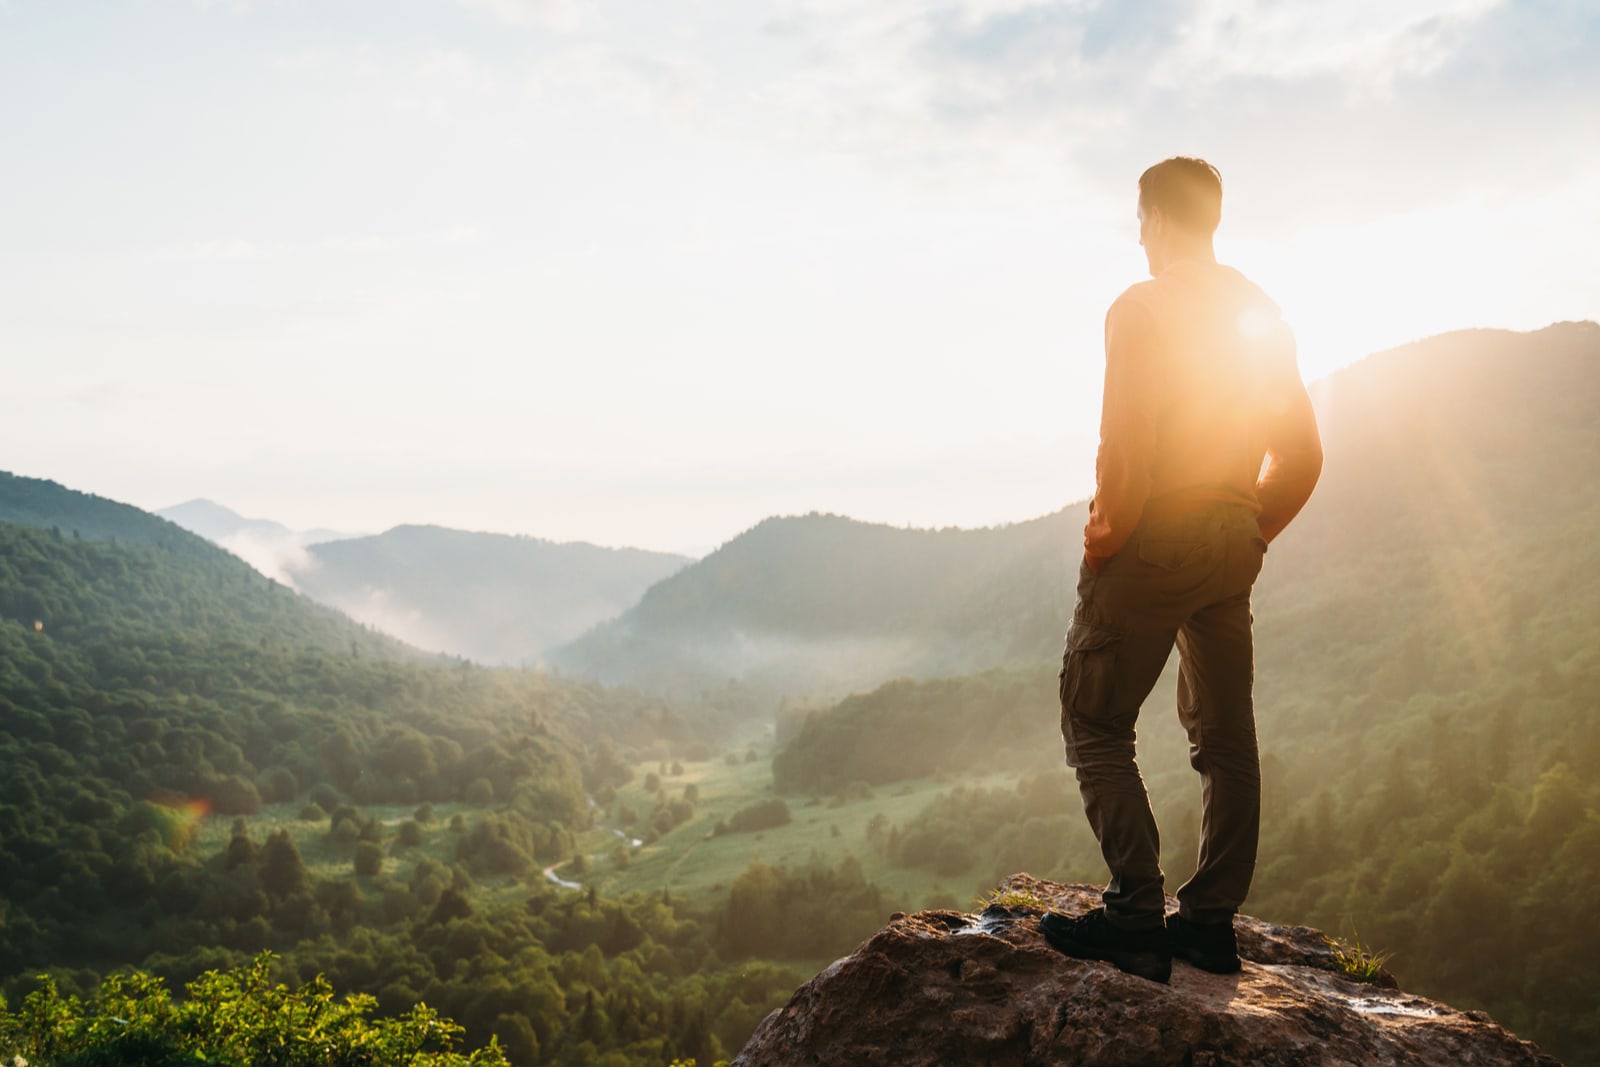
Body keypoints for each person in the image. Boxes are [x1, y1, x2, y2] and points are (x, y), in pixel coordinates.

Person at [1039, 157, 1323, 984]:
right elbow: (1303, 453)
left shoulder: (1142, 306)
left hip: (1154, 538)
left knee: (1094, 722)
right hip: (1233, 536)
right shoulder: (1260, 310)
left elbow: (1124, 451)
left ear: (1155, 217)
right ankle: (1208, 925)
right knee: (1227, 736)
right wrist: (1249, 530)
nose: (1137, 235)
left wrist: (1103, 539)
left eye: (1138, 220)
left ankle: (1133, 916)